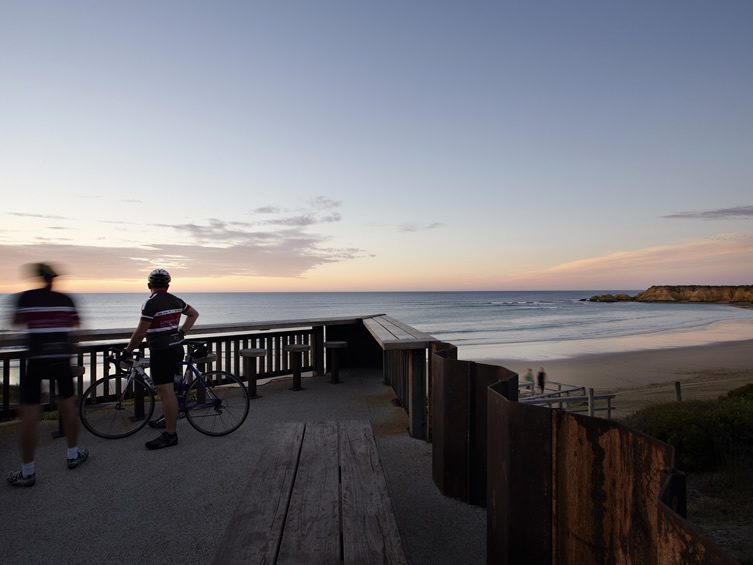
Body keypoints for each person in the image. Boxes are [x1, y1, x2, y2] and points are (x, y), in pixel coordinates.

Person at [7, 263, 88, 487]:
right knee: (69, 408)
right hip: (62, 358)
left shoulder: (26, 298)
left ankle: (28, 470)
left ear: (37, 278)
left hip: (36, 359)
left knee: (30, 415)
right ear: (54, 279)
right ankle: (73, 454)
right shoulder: (66, 300)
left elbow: (16, 323)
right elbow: (78, 328)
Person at [123, 268, 199, 450]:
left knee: (166, 392)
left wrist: (127, 351)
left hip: (161, 350)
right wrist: (181, 333)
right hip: (176, 348)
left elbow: (141, 332)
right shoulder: (175, 300)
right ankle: (168, 418)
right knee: (170, 390)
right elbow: (194, 314)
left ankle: (170, 434)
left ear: (149, 285)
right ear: (168, 285)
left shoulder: (150, 303)